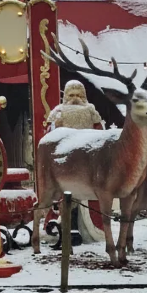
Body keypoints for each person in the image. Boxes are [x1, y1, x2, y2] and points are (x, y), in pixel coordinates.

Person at [45, 80, 103, 249]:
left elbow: (100, 134)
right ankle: (63, 231)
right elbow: (48, 137)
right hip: (64, 162)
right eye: (71, 95)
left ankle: (78, 231)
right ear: (65, 97)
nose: (75, 99)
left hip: (86, 163)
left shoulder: (92, 112)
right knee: (64, 197)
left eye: (79, 95)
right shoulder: (58, 113)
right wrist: (57, 126)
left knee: (80, 198)